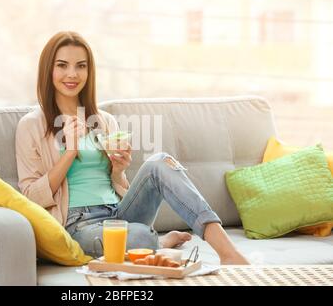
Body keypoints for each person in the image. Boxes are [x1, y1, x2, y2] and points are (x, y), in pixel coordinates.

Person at [15, 31, 249, 265]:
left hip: (118, 213)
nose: (72, 74)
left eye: (81, 66)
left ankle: (228, 252)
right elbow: (30, 198)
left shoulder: (104, 121)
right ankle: (160, 243)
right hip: (78, 225)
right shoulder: (32, 125)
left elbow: (118, 185)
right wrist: (70, 152)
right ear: (49, 70)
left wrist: (118, 169)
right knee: (140, 236)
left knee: (160, 161)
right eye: (62, 65)